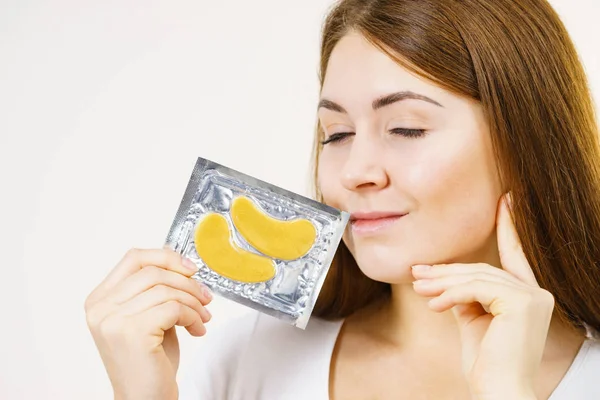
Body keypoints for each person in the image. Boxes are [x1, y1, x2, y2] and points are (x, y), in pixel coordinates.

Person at [85, 0, 600, 398]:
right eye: (335, 134)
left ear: (527, 139)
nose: (354, 172)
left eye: (406, 128)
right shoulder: (248, 360)